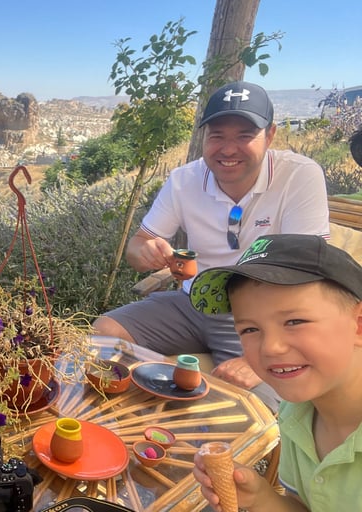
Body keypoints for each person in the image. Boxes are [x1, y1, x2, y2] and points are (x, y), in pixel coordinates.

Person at [92, 81, 330, 411]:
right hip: (191, 304)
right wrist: (146, 253)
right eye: (217, 135)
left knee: (253, 407)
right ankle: (124, 421)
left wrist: (258, 358)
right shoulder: (184, 180)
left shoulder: (298, 176)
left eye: (244, 135)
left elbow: (307, 271)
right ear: (204, 137)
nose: (228, 149)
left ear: (270, 135)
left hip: (263, 316)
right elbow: (138, 246)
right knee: (103, 332)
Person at [188, 234, 362, 510]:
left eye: (294, 321)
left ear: (358, 324)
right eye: (250, 329)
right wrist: (261, 498)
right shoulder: (297, 413)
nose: (271, 347)